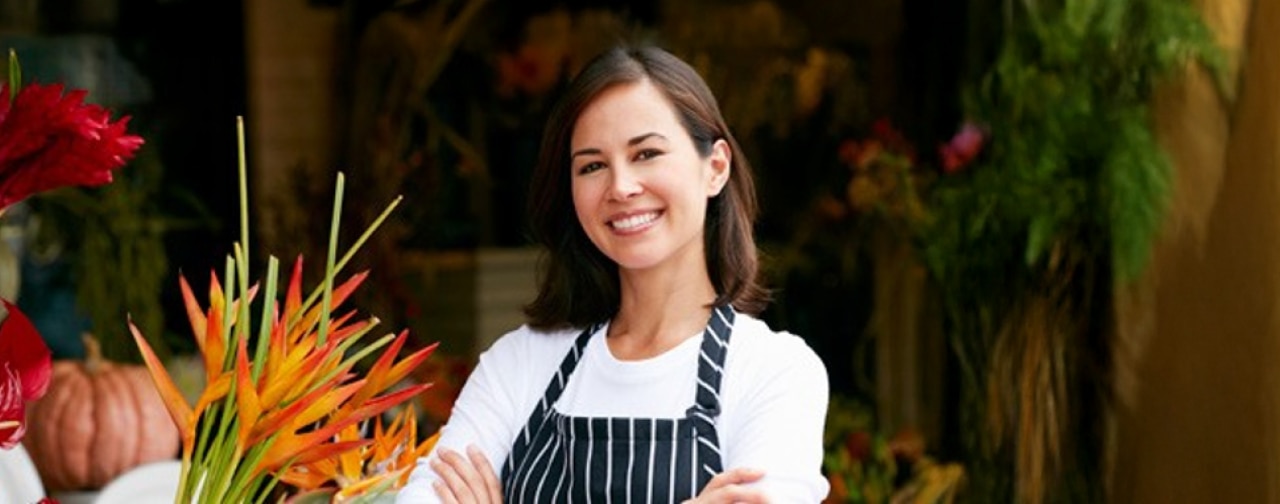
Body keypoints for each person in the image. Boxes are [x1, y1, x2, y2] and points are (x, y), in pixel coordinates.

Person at [396, 44, 830, 503]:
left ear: (716, 169)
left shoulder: (772, 372)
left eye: (646, 154)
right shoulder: (521, 365)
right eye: (593, 166)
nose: (621, 187)